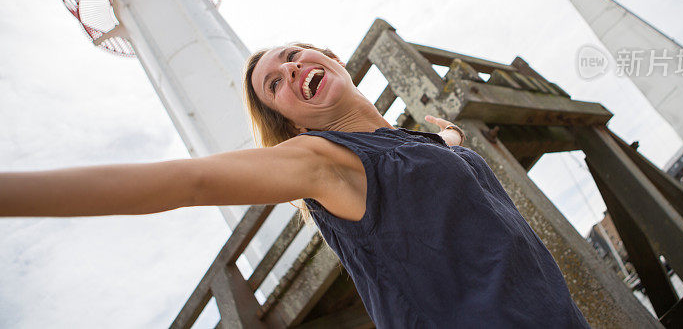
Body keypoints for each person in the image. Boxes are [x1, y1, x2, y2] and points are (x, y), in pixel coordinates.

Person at [1, 43, 590, 328]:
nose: (289, 71)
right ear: (291, 122)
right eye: (274, 84)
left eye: (290, 56)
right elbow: (189, 180)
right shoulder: (320, 161)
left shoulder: (423, 145)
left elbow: (455, 186)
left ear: (328, 57)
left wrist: (454, 146)